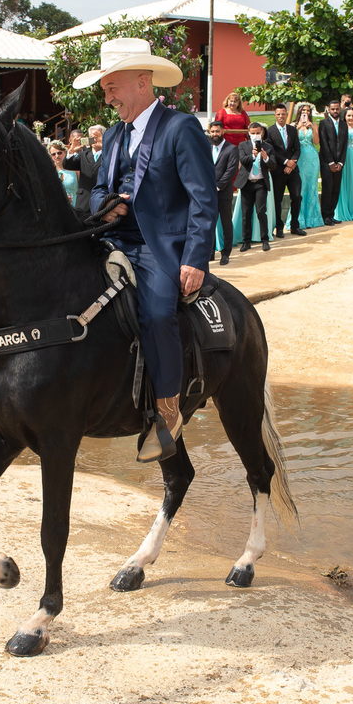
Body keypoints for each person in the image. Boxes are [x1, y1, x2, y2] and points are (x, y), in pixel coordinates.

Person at [80, 36, 218, 462]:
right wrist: (103, 206)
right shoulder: (116, 136)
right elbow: (97, 189)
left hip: (158, 248)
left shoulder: (181, 128)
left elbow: (203, 197)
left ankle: (168, 409)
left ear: (143, 82)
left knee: (158, 313)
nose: (108, 98)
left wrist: (195, 259)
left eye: (112, 88)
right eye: (105, 90)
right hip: (111, 238)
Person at [264, 103, 304, 237]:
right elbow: (272, 151)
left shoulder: (292, 130)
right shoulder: (269, 131)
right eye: (278, 114)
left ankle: (295, 226)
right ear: (275, 115)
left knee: (297, 196)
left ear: (287, 114)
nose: (281, 116)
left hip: (293, 170)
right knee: (277, 200)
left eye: (283, 114)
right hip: (278, 171)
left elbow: (297, 149)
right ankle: (279, 228)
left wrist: (292, 163)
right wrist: (286, 162)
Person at [236, 122, 275, 251]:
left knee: (260, 211)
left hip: (260, 184)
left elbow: (274, 165)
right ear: (248, 133)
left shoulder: (268, 147)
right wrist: (253, 155)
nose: (255, 135)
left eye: (258, 133)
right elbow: (243, 160)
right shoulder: (243, 145)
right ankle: (246, 242)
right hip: (247, 183)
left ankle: (265, 239)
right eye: (253, 133)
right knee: (246, 213)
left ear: (262, 133)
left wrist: (266, 158)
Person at [208, 121, 239, 264]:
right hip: (208, 193)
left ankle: (226, 253)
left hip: (223, 192)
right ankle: (210, 252)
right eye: (212, 131)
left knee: (226, 223)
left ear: (223, 132)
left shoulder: (232, 149)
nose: (215, 134)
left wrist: (218, 186)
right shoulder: (206, 147)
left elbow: (231, 170)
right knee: (209, 224)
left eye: (217, 131)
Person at [295, 103, 325, 226]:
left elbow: (317, 142)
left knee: (312, 186)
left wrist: (312, 127)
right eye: (303, 111)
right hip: (300, 157)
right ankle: (299, 219)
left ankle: (312, 219)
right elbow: (292, 143)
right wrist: (297, 128)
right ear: (299, 112)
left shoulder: (314, 125)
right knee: (301, 187)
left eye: (308, 111)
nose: (306, 113)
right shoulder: (293, 125)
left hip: (312, 157)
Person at [64, 124, 104, 216]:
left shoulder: (109, 155)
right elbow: (68, 165)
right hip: (83, 203)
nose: (94, 139)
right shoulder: (84, 155)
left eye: (97, 136)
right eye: (92, 137)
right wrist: (71, 151)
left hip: (102, 202)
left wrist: (105, 146)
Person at [317, 99, 347, 225]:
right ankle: (325, 216)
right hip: (326, 162)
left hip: (339, 163)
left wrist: (340, 163)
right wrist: (330, 162)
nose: (335, 111)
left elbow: (344, 144)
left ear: (340, 110)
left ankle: (331, 214)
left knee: (336, 189)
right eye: (333, 109)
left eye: (337, 109)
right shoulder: (323, 123)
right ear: (328, 109)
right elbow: (323, 143)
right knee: (327, 188)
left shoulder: (344, 124)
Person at [334, 107, 353, 222]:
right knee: (342, 184)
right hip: (343, 158)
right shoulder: (340, 127)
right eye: (348, 115)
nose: (351, 118)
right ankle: (342, 212)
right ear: (344, 116)